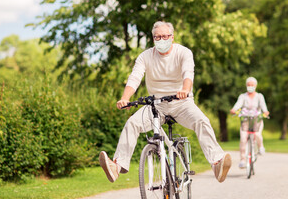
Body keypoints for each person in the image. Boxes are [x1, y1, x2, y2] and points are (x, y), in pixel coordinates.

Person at [99, 21, 232, 183]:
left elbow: (188, 73)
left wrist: (185, 89)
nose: (161, 40)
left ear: (172, 37)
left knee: (202, 121)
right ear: (153, 39)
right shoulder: (145, 56)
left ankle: (217, 163)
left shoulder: (183, 52)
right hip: (156, 105)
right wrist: (125, 98)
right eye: (157, 37)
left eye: (164, 36)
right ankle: (117, 166)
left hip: (182, 103)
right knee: (132, 123)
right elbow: (135, 77)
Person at [230, 77, 269, 169]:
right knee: (243, 139)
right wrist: (234, 109)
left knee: (257, 134)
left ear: (255, 86)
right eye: (249, 85)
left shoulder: (259, 96)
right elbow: (238, 104)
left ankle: (260, 147)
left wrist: (265, 112)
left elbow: (264, 107)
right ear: (246, 86)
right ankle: (243, 160)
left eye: (252, 85)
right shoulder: (243, 96)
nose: (250, 86)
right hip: (245, 120)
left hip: (257, 120)